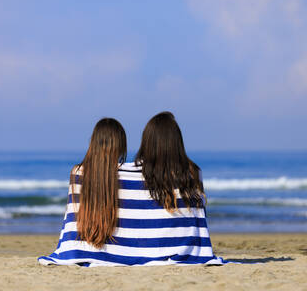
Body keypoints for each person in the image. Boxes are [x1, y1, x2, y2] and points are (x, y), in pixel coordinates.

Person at [38, 113, 223, 266]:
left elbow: (71, 219)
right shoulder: (192, 173)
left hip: (90, 246)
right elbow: (198, 223)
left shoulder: (79, 173)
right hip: (181, 249)